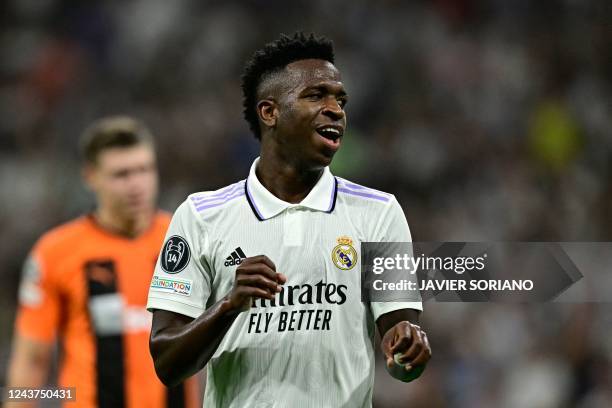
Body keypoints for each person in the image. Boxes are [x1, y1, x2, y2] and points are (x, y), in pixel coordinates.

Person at [147, 32, 431, 407]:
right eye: (316, 96)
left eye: (340, 99)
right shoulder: (201, 216)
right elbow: (166, 363)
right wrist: (228, 305)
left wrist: (408, 353)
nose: (336, 109)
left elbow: (399, 350)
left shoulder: (379, 212)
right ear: (270, 112)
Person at [7, 116, 198, 408]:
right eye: (121, 174)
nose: (136, 185)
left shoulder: (189, 241)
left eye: (144, 170)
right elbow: (31, 363)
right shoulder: (55, 252)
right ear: (90, 177)